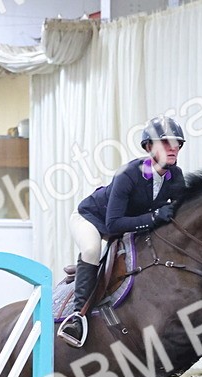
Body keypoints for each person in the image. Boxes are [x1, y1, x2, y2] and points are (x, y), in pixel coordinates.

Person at [59, 115, 187, 346]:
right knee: (91, 249)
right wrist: (155, 217)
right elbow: (113, 224)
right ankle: (77, 316)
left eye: (177, 143)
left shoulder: (175, 177)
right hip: (93, 219)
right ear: (149, 147)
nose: (173, 147)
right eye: (166, 142)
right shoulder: (129, 174)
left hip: (128, 224)